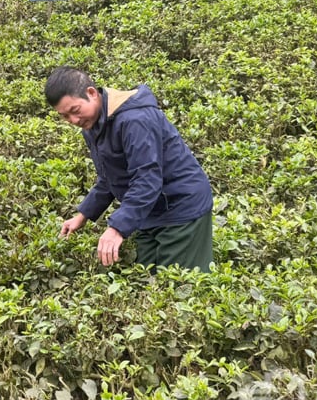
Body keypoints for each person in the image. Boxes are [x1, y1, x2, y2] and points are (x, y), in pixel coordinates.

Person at [44, 67, 213, 272]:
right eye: (65, 117)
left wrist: (117, 228)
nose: (74, 121)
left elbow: (147, 179)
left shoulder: (135, 119)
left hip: (181, 207)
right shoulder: (94, 125)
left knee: (181, 287)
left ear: (91, 93)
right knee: (147, 280)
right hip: (149, 211)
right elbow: (108, 178)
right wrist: (83, 215)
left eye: (75, 111)